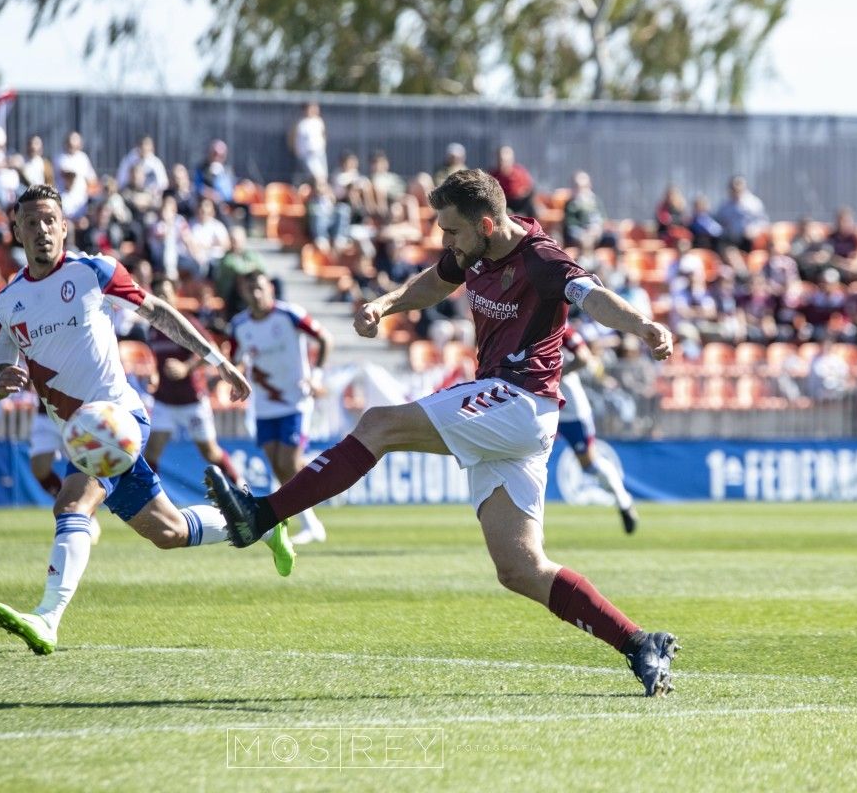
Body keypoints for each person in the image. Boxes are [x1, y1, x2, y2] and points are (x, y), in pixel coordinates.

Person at [204, 170, 680, 695]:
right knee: (521, 568)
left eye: (452, 232)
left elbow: (594, 297)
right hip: (509, 414)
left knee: (378, 423)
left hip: (521, 400)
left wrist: (645, 326)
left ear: (485, 223)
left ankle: (262, 515)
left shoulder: (541, 259)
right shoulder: (474, 249)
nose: (445, 242)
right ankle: (640, 643)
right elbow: (436, 280)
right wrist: (386, 305)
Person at [0, 184, 292, 657]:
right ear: (17, 231)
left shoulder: (93, 271)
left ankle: (47, 617)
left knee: (71, 505)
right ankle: (260, 520)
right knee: (168, 532)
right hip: (78, 434)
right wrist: (0, 382)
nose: (42, 229)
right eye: (31, 222)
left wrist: (218, 362)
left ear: (64, 226)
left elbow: (160, 314)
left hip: (117, 418)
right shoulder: (6, 304)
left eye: (50, 220)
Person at [227, 270, 333, 545]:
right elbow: (235, 360)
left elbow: (325, 339)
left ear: (270, 289)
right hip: (263, 406)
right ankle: (315, 507)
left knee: (287, 463)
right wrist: (236, 380)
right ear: (244, 293)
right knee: (280, 467)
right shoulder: (239, 325)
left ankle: (314, 515)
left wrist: (317, 376)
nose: (257, 294)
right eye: (251, 289)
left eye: (261, 288)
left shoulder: (289, 315)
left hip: (296, 400)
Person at [142, 277, 244, 488]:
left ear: (174, 295)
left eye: (166, 294)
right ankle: (151, 499)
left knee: (209, 452)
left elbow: (210, 350)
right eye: (157, 294)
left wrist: (185, 368)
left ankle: (241, 486)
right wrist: (154, 372)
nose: (161, 298)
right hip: (164, 399)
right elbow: (157, 358)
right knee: (152, 451)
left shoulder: (185, 322)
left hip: (192, 399)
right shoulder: (152, 328)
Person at [558, 327, 639, 534]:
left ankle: (623, 500)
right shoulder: (522, 320)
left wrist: (554, 376)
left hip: (570, 410)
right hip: (541, 406)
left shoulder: (562, 328)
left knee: (589, 464)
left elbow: (584, 358)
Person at [28, 409, 102, 544]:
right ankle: (73, 505)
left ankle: (87, 513)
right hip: (46, 413)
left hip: (74, 412)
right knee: (39, 468)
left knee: (84, 466)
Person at [290, 101, 328, 184]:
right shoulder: (301, 124)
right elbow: (293, 138)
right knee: (315, 177)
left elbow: (323, 135)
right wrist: (297, 151)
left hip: (319, 154)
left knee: (323, 176)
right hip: (307, 156)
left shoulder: (319, 121)